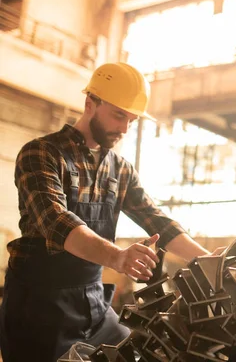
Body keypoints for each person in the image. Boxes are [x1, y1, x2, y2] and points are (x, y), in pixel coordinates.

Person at [0, 62, 216, 361]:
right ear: (90, 103)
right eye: (118, 115)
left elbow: (157, 221)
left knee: (133, 353)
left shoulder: (120, 169)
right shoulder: (41, 154)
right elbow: (56, 221)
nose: (125, 129)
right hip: (39, 307)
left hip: (93, 303)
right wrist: (118, 257)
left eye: (132, 120)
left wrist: (208, 262)